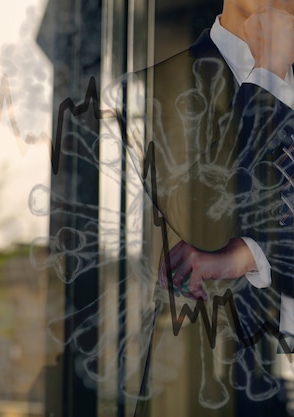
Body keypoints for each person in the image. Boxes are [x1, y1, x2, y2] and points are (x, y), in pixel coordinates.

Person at [131, 0, 294, 341]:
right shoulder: (159, 85)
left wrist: (250, 253)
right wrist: (268, 74)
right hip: (220, 364)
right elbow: (203, 224)